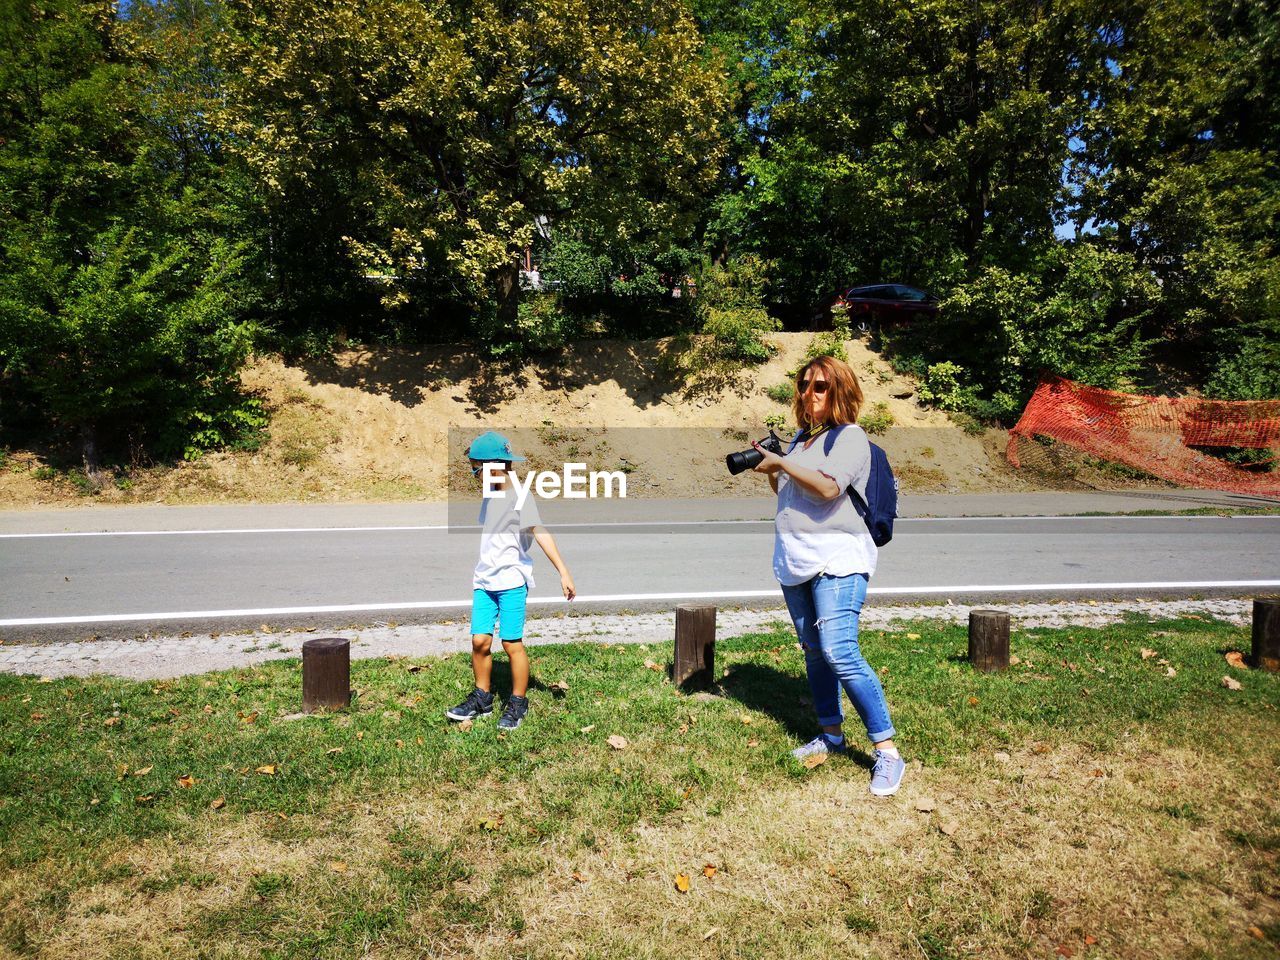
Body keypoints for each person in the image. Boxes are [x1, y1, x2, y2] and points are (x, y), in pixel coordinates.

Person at [749, 355, 905, 796]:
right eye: (803, 385)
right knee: (815, 652)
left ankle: (888, 752)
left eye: (819, 385)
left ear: (840, 390)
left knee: (840, 652)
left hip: (839, 559)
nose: (808, 393)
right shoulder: (801, 439)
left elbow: (829, 487)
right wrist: (773, 468)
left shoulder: (851, 437)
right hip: (795, 559)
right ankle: (831, 735)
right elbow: (789, 492)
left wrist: (780, 463)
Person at [445, 431, 576, 730]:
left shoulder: (519, 494)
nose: (474, 474)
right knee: (479, 641)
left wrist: (563, 571)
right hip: (484, 581)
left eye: (476, 468)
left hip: (512, 581)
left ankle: (518, 701)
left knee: (510, 643)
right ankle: (482, 699)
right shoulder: (490, 493)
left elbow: (539, 531)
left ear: (495, 465)